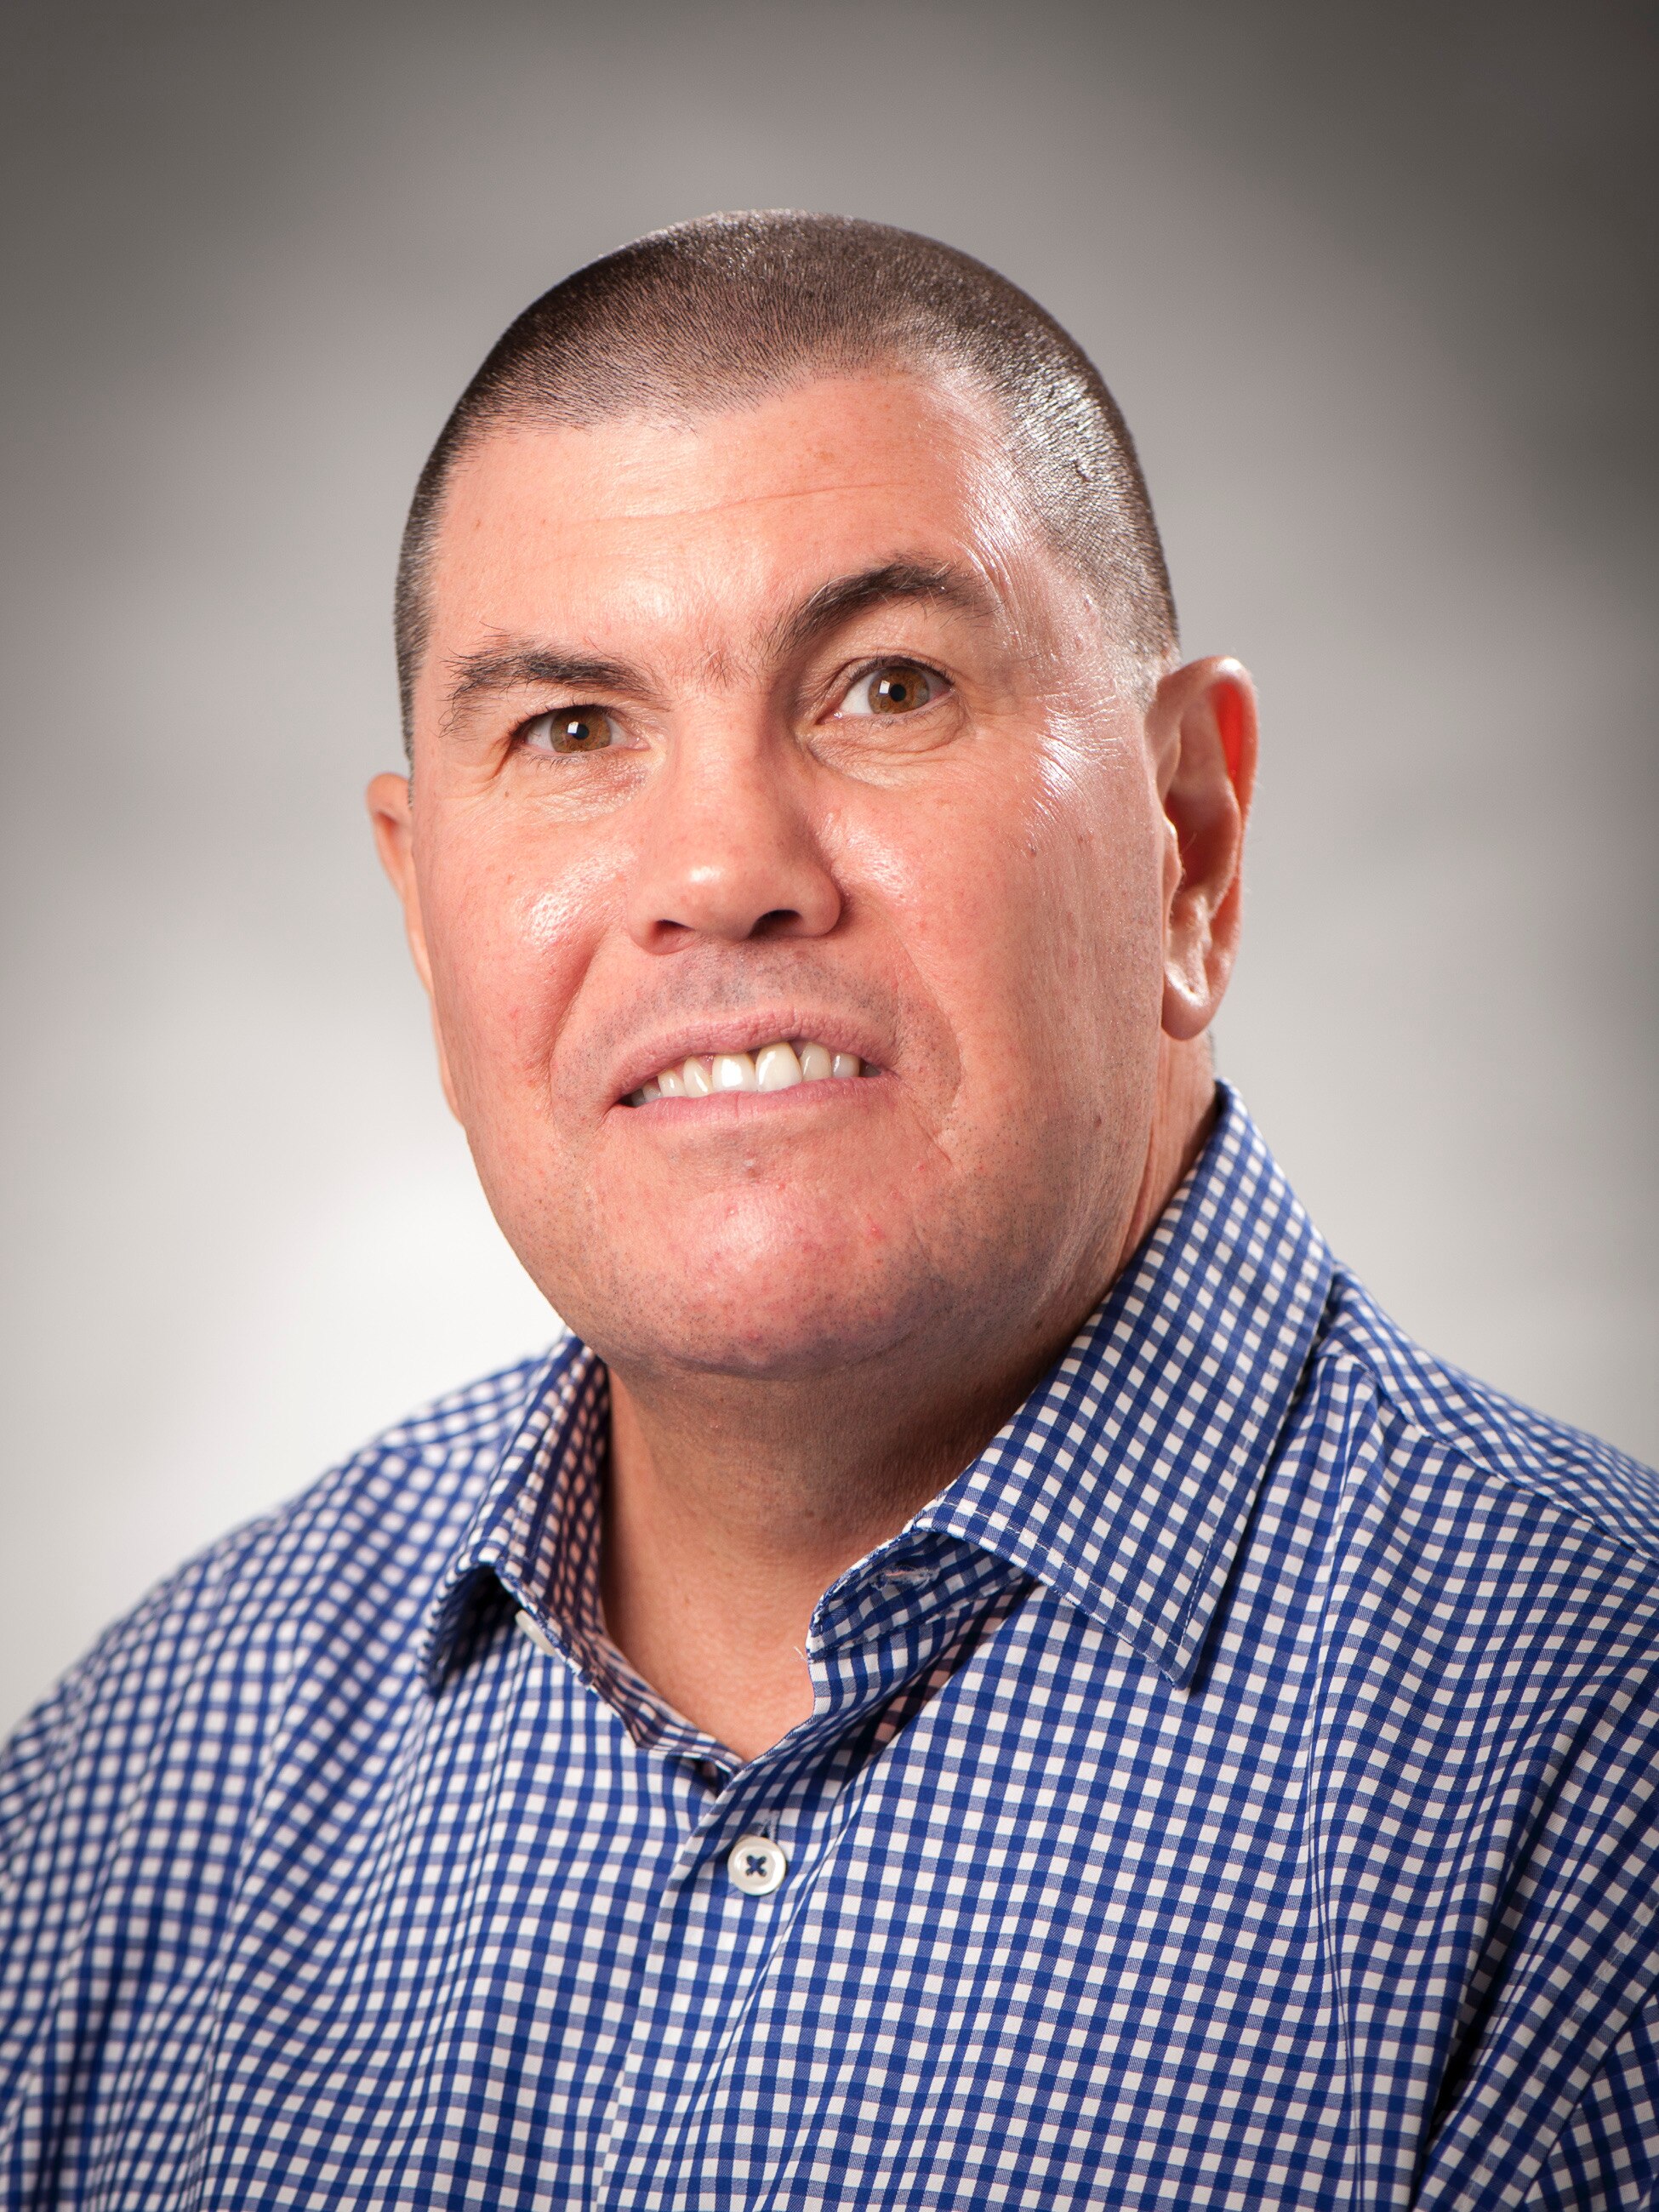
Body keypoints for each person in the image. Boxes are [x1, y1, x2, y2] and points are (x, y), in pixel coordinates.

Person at [3, 212, 1656, 2212]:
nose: (722, 870)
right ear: (424, 920)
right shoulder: (129, 1790)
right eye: (571, 730)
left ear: (1189, 845)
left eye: (886, 686)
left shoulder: (1599, 1783)